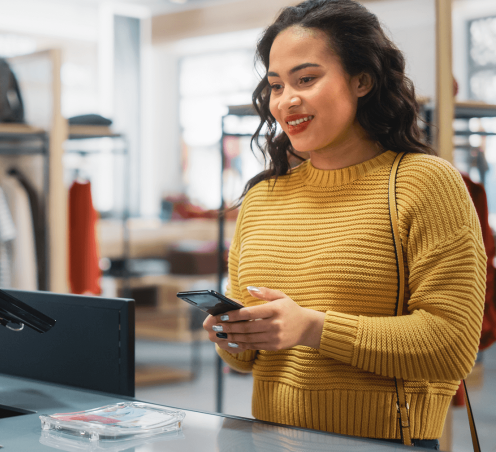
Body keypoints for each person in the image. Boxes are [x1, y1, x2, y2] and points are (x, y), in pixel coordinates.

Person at [202, 0, 487, 449]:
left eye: (307, 79)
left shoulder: (426, 183)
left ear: (362, 81)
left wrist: (312, 327)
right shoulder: (262, 198)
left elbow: (451, 345)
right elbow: (247, 362)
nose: (286, 100)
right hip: (271, 439)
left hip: (387, 443)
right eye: (276, 85)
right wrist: (234, 337)